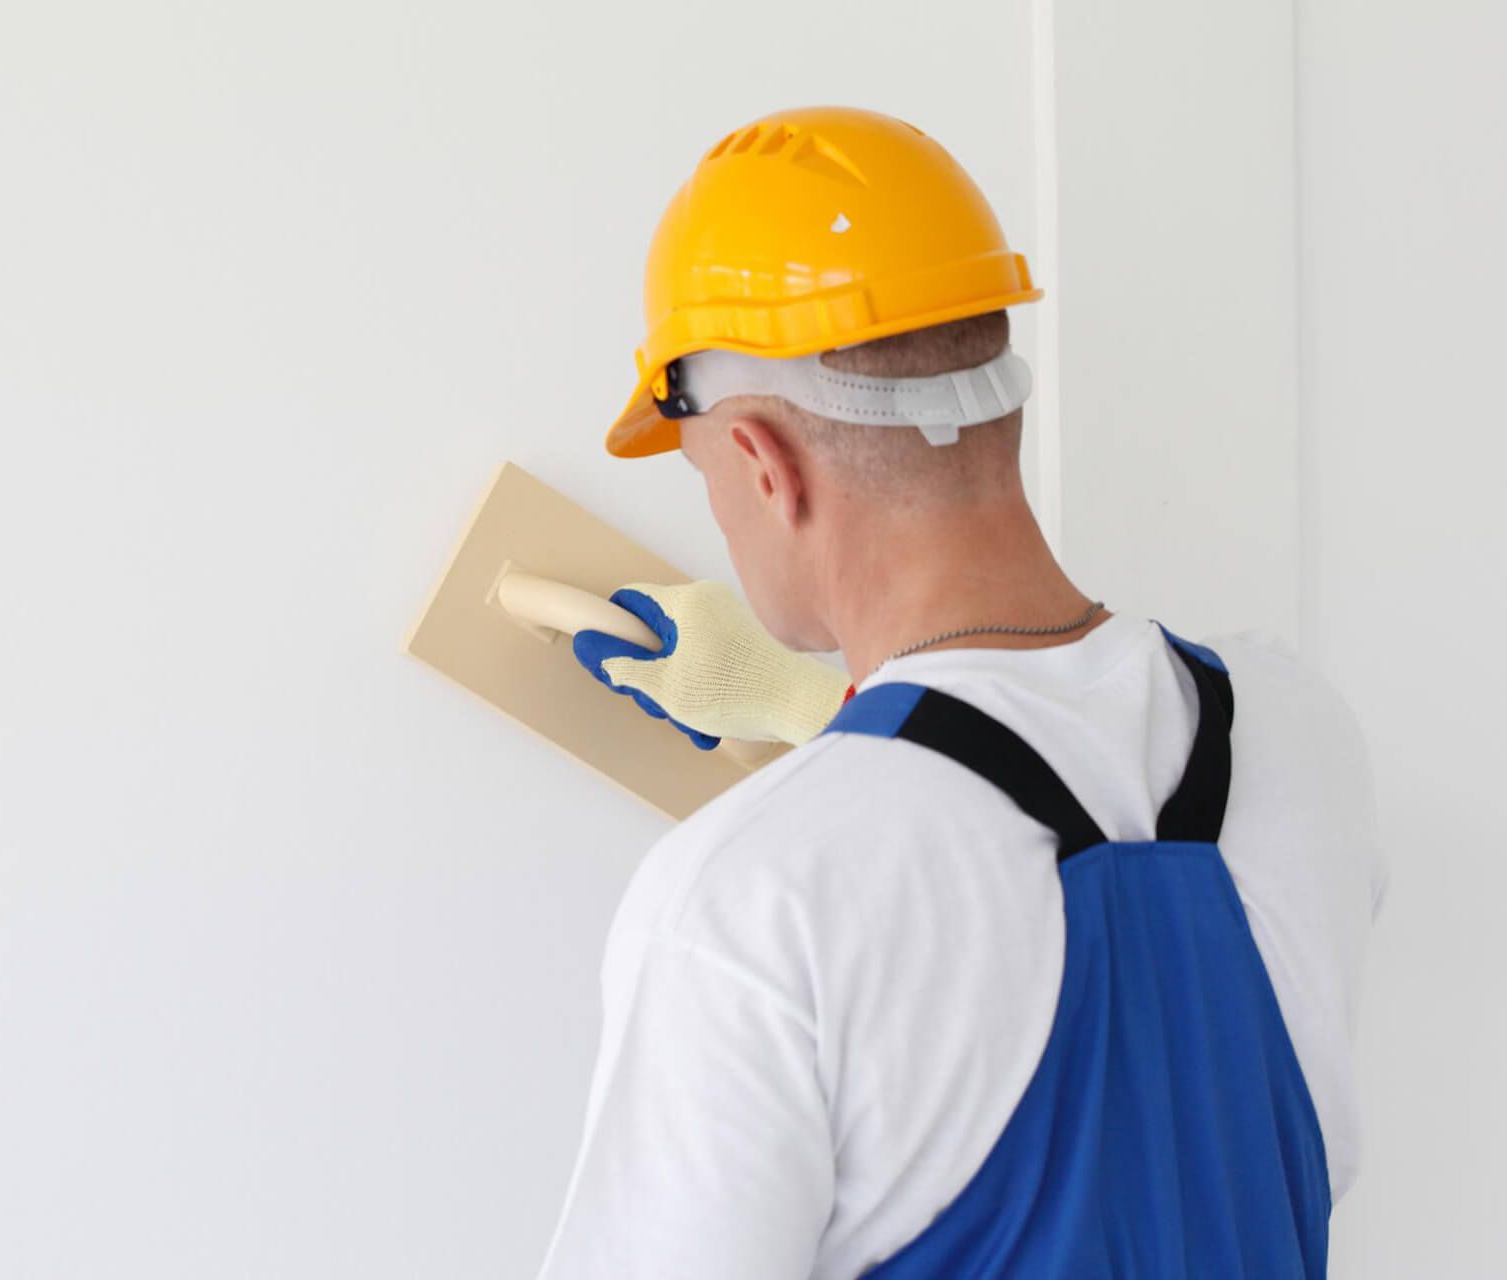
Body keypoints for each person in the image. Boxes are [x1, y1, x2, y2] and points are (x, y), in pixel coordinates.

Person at [533, 106, 1385, 1279]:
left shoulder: (743, 903)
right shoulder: (1297, 729)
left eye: (700, 472)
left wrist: (831, 762)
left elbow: (954, 851)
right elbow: (1040, 808)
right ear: (999, 396)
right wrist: (814, 707)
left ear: (763, 465)